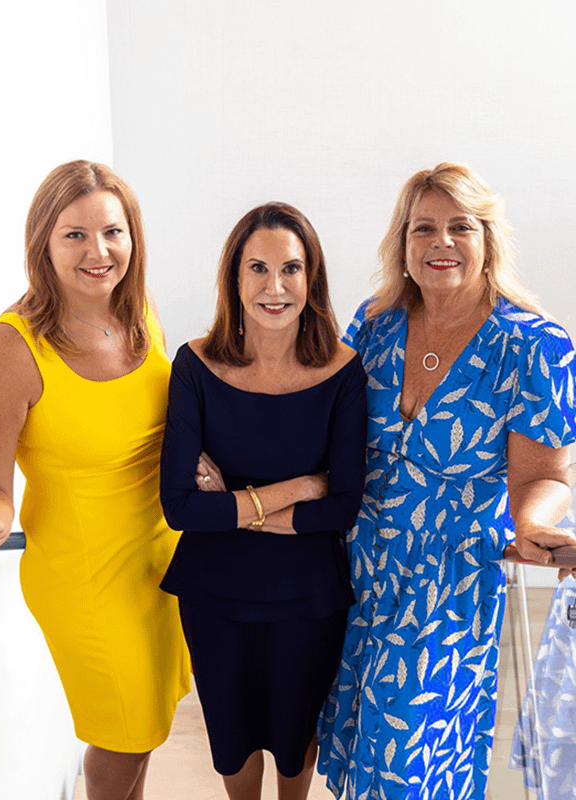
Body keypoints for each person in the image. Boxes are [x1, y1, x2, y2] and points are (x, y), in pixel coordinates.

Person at [317, 163, 576, 800]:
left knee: (407, 764)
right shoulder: (373, 326)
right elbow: (318, 425)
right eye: (423, 227)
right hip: (351, 569)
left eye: (461, 226)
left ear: (488, 241)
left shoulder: (532, 345)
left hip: (445, 586)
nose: (441, 242)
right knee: (352, 756)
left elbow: (544, 474)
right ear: (401, 244)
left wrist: (534, 524)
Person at [0, 160, 190, 800]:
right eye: (74, 234)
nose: (98, 252)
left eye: (112, 232)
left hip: (160, 558)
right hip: (84, 577)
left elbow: (156, 427)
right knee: (123, 734)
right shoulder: (10, 347)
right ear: (43, 241)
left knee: (145, 727)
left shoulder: (139, 315)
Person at [159, 202, 367, 800]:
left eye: (291, 269)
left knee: (295, 735)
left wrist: (233, 506)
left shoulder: (342, 371)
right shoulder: (196, 365)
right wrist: (302, 487)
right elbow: (180, 507)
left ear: (312, 279)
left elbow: (343, 508)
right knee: (231, 736)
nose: (275, 287)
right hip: (213, 592)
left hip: (308, 594)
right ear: (234, 278)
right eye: (258, 268)